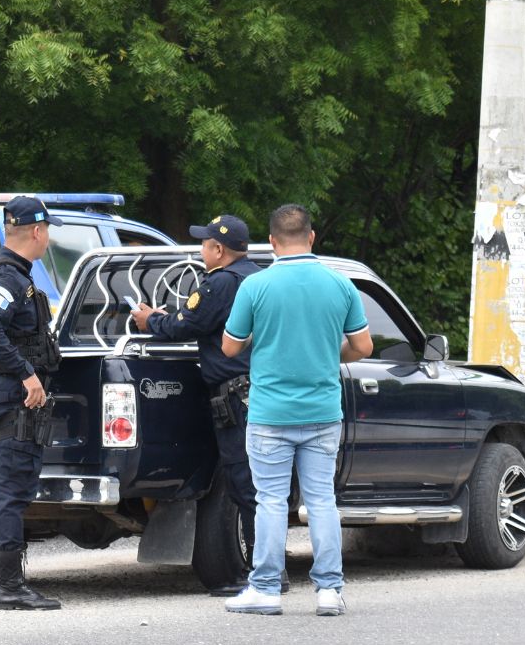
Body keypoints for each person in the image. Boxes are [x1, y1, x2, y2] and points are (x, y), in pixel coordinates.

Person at [220, 204, 372, 617]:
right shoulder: (339, 284)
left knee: (270, 500)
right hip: (323, 412)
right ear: (311, 236)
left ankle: (266, 589)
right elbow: (363, 346)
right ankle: (329, 591)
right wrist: (328, 352)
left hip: (270, 413)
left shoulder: (255, 285)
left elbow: (230, 347)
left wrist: (263, 339)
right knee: (321, 500)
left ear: (271, 241)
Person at [131, 214, 261, 596]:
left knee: (244, 483)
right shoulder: (258, 278)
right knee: (259, 483)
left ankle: (264, 573)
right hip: (256, 392)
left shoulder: (220, 282)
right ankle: (268, 567)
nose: (201, 248)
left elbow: (186, 325)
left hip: (237, 396)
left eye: (205, 243)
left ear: (218, 249)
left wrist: (150, 321)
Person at [0, 196, 62, 611]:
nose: (48, 238)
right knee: (12, 492)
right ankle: (9, 586)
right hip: (12, 397)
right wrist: (24, 374)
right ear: (37, 231)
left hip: (1, 392)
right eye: (48, 231)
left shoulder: (5, 272)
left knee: (0, 491)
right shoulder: (8, 278)